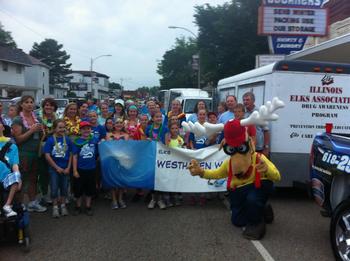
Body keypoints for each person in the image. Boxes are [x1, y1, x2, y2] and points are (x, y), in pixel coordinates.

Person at [188, 119, 280, 240]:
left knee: (252, 199)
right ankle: (263, 208)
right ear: (225, 145)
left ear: (249, 143)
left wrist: (267, 169)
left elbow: (277, 176)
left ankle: (257, 223)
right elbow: (217, 173)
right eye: (231, 148)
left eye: (241, 146)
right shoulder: (229, 163)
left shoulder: (258, 158)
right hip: (239, 190)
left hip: (257, 187)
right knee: (238, 221)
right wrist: (201, 172)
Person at [12, 95, 47, 212]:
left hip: (36, 153)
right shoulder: (18, 119)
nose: (29, 104)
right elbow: (18, 140)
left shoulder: (37, 118)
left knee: (33, 179)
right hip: (23, 154)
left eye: (31, 102)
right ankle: (19, 204)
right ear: (21, 104)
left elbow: (42, 137)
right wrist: (31, 130)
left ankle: (32, 203)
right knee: (22, 180)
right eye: (26, 102)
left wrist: (42, 131)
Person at [44, 119, 73, 218]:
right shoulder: (50, 140)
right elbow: (47, 156)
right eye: (59, 127)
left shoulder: (67, 139)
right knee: (54, 188)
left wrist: (69, 167)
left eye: (63, 127)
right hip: (54, 169)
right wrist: (56, 168)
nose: (62, 129)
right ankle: (55, 207)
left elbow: (70, 154)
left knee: (65, 188)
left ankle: (63, 205)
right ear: (54, 128)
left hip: (65, 168)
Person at [72, 121, 99, 216]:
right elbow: (75, 156)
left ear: (90, 129)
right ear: (80, 130)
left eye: (88, 128)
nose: (86, 130)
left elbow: (97, 153)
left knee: (89, 189)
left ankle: (88, 206)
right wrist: (75, 170)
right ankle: (78, 206)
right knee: (78, 190)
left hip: (91, 169)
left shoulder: (94, 140)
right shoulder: (77, 141)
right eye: (84, 129)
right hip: (80, 169)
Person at [146, 111, 168, 209]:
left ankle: (159, 200)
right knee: (152, 178)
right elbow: (144, 142)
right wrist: (148, 140)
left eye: (160, 117)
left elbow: (167, 144)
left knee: (160, 178)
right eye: (157, 117)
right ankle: (153, 199)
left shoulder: (165, 129)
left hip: (161, 157)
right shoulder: (148, 128)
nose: (159, 118)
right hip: (151, 156)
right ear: (153, 118)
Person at [38, 98, 58, 204]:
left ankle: (54, 194)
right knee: (43, 171)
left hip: (55, 148)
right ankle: (44, 195)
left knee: (53, 171)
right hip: (42, 147)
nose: (48, 107)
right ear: (43, 107)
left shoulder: (57, 118)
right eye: (46, 105)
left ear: (54, 107)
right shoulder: (38, 118)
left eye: (51, 105)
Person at [106, 117, 129, 209]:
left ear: (123, 125)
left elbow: (126, 148)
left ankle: (120, 199)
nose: (119, 124)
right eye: (117, 123)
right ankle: (114, 200)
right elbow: (108, 147)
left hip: (122, 160)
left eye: (120, 123)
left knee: (121, 180)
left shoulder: (126, 135)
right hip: (112, 160)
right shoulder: (108, 134)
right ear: (114, 125)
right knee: (112, 180)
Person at [0, 123, 21, 218]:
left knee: (16, 175)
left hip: (5, 177)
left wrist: (19, 178)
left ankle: (7, 205)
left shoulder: (12, 146)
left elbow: (15, 164)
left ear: (3, 127)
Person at [243, 92, 270, 156]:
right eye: (244, 100)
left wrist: (266, 147)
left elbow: (266, 131)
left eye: (247, 100)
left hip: (258, 147)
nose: (245, 102)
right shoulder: (242, 112)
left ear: (253, 101)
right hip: (245, 147)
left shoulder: (260, 112)